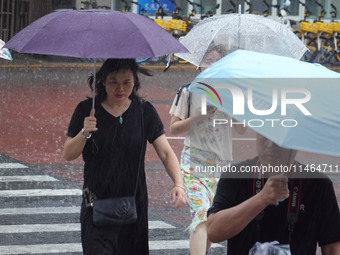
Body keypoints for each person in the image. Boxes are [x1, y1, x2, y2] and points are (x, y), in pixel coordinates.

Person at [63, 59, 186, 255]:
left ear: (134, 82)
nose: (120, 88)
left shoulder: (144, 111)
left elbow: (165, 152)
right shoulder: (87, 110)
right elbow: (68, 153)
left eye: (126, 82)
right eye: (113, 82)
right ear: (103, 81)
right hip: (96, 202)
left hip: (133, 204)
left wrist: (178, 183)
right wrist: (84, 133)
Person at [207, 134, 340, 255]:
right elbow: (214, 232)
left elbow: (332, 246)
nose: (270, 145)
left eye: (278, 139)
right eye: (264, 136)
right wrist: (261, 199)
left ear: (295, 144)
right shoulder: (235, 175)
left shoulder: (318, 184)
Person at [169, 48, 246, 255]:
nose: (211, 65)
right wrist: (199, 116)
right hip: (195, 162)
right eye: (207, 61)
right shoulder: (188, 91)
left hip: (222, 166)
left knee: (213, 222)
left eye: (217, 61)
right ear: (199, 64)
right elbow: (174, 128)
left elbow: (241, 128)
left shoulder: (231, 94)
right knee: (201, 217)